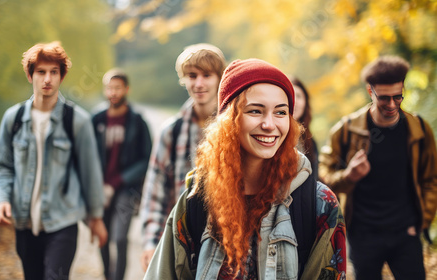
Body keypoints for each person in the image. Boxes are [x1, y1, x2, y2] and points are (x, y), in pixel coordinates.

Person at [144, 58, 346, 279]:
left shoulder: (319, 204)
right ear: (229, 121)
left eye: (280, 112)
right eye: (255, 111)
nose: (270, 124)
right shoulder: (196, 200)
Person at [0, 41, 108, 280]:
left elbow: (90, 173)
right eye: (41, 72)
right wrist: (1, 199)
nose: (47, 79)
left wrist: (96, 218)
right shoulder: (13, 118)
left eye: (54, 72)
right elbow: (2, 166)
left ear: (61, 77)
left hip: (62, 222)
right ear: (30, 75)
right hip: (24, 222)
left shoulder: (77, 121)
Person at [319, 55, 437, 279]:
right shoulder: (345, 131)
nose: (392, 105)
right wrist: (349, 175)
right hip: (363, 235)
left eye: (398, 97)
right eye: (384, 98)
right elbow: (323, 179)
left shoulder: (419, 129)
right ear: (370, 91)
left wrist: (421, 222)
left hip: (406, 234)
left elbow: (431, 179)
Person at [139, 43, 226, 271]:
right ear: (183, 79)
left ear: (219, 78)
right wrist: (151, 242)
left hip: (225, 242)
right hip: (181, 242)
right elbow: (155, 190)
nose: (198, 83)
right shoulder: (171, 131)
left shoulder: (234, 129)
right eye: (191, 76)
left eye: (207, 75)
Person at [92, 68, 152, 280]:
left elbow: (147, 159)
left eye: (117, 88)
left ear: (126, 89)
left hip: (127, 188)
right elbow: (87, 155)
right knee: (103, 236)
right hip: (100, 189)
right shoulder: (96, 119)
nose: (113, 93)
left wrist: (117, 182)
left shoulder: (137, 121)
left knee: (119, 238)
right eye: (109, 88)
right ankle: (106, 275)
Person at [290, 76, 319, 181]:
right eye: (291, 95)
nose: (295, 101)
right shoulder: (272, 137)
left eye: (299, 96)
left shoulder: (310, 141)